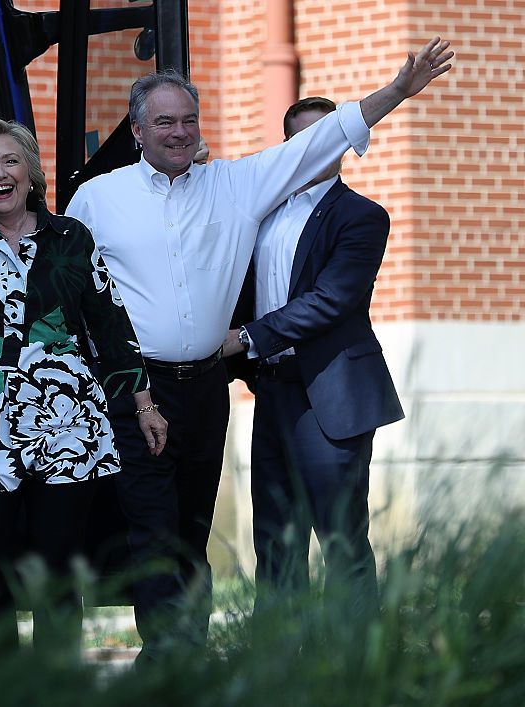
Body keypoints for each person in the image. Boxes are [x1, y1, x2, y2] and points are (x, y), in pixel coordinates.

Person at [66, 37, 452, 663]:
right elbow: (78, 291)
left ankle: (228, 656)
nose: (180, 131)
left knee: (196, 527)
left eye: (190, 119)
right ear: (136, 130)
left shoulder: (238, 185)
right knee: (154, 528)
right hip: (137, 390)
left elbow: (322, 144)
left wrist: (397, 92)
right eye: (164, 121)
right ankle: (169, 657)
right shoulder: (97, 198)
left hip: (210, 391)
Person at [0, 38, 168, 652]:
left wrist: (142, 402)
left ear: (31, 172)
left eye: (10, 161)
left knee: (58, 572)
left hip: (64, 420)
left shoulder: (70, 239)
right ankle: (5, 678)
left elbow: (109, 322)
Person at [222, 97, 404, 615]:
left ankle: (356, 667)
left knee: (341, 539)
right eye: (304, 140)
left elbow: (332, 299)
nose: (316, 149)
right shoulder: (259, 213)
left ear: (344, 143)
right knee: (275, 541)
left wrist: (248, 337)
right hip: (272, 389)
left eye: (327, 136)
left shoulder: (362, 216)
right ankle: (277, 668)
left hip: (330, 393)